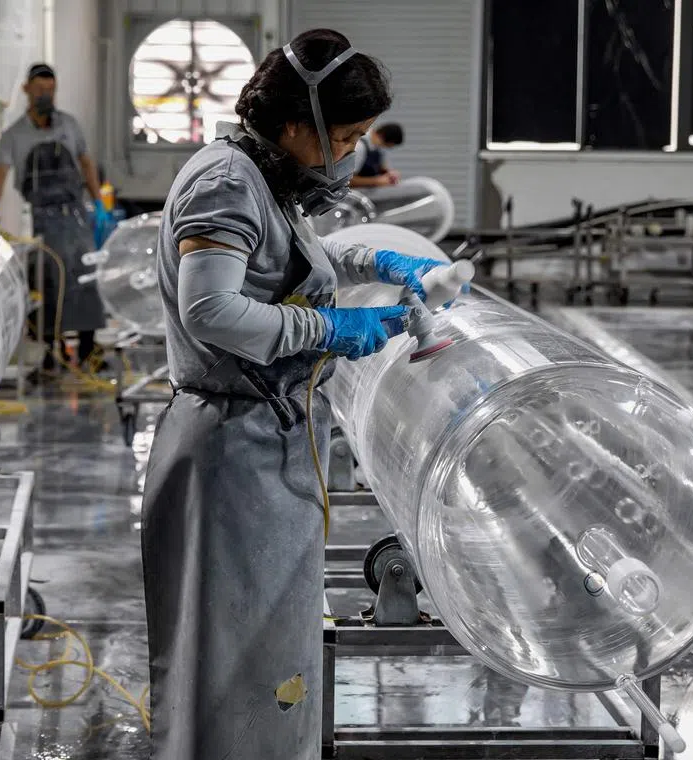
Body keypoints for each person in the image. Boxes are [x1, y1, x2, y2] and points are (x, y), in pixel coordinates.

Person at [141, 29, 462, 759]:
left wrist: (375, 260)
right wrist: (330, 328)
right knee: (232, 659)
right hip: (230, 451)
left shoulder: (264, 180)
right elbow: (211, 311)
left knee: (268, 653)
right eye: (344, 136)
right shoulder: (223, 182)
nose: (349, 153)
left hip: (268, 444)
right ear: (295, 126)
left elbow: (290, 261)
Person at [0, 63, 111, 370]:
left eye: (51, 90)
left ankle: (87, 347)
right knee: (48, 281)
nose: (46, 95)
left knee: (84, 277)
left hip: (75, 213)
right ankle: (50, 353)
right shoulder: (14, 135)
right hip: (40, 218)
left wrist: (100, 205)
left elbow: (86, 163)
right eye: (40, 89)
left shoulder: (68, 125)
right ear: (26, 89)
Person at [351, 122, 405, 188]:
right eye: (386, 146)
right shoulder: (360, 147)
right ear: (381, 137)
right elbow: (349, 181)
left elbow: (380, 166)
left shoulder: (377, 146)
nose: (385, 148)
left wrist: (389, 173)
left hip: (371, 187)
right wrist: (377, 181)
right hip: (358, 191)